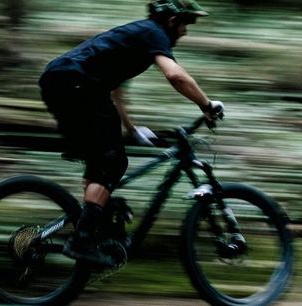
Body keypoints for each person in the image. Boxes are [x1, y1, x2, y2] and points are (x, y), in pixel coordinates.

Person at [38, 0, 224, 266]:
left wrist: (132, 129)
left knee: (101, 161)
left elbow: (116, 92)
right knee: (113, 162)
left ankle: (94, 222)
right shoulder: (153, 33)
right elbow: (175, 75)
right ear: (172, 21)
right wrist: (207, 105)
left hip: (63, 82)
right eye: (187, 22)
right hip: (76, 83)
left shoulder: (137, 36)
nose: (186, 32)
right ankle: (83, 240)